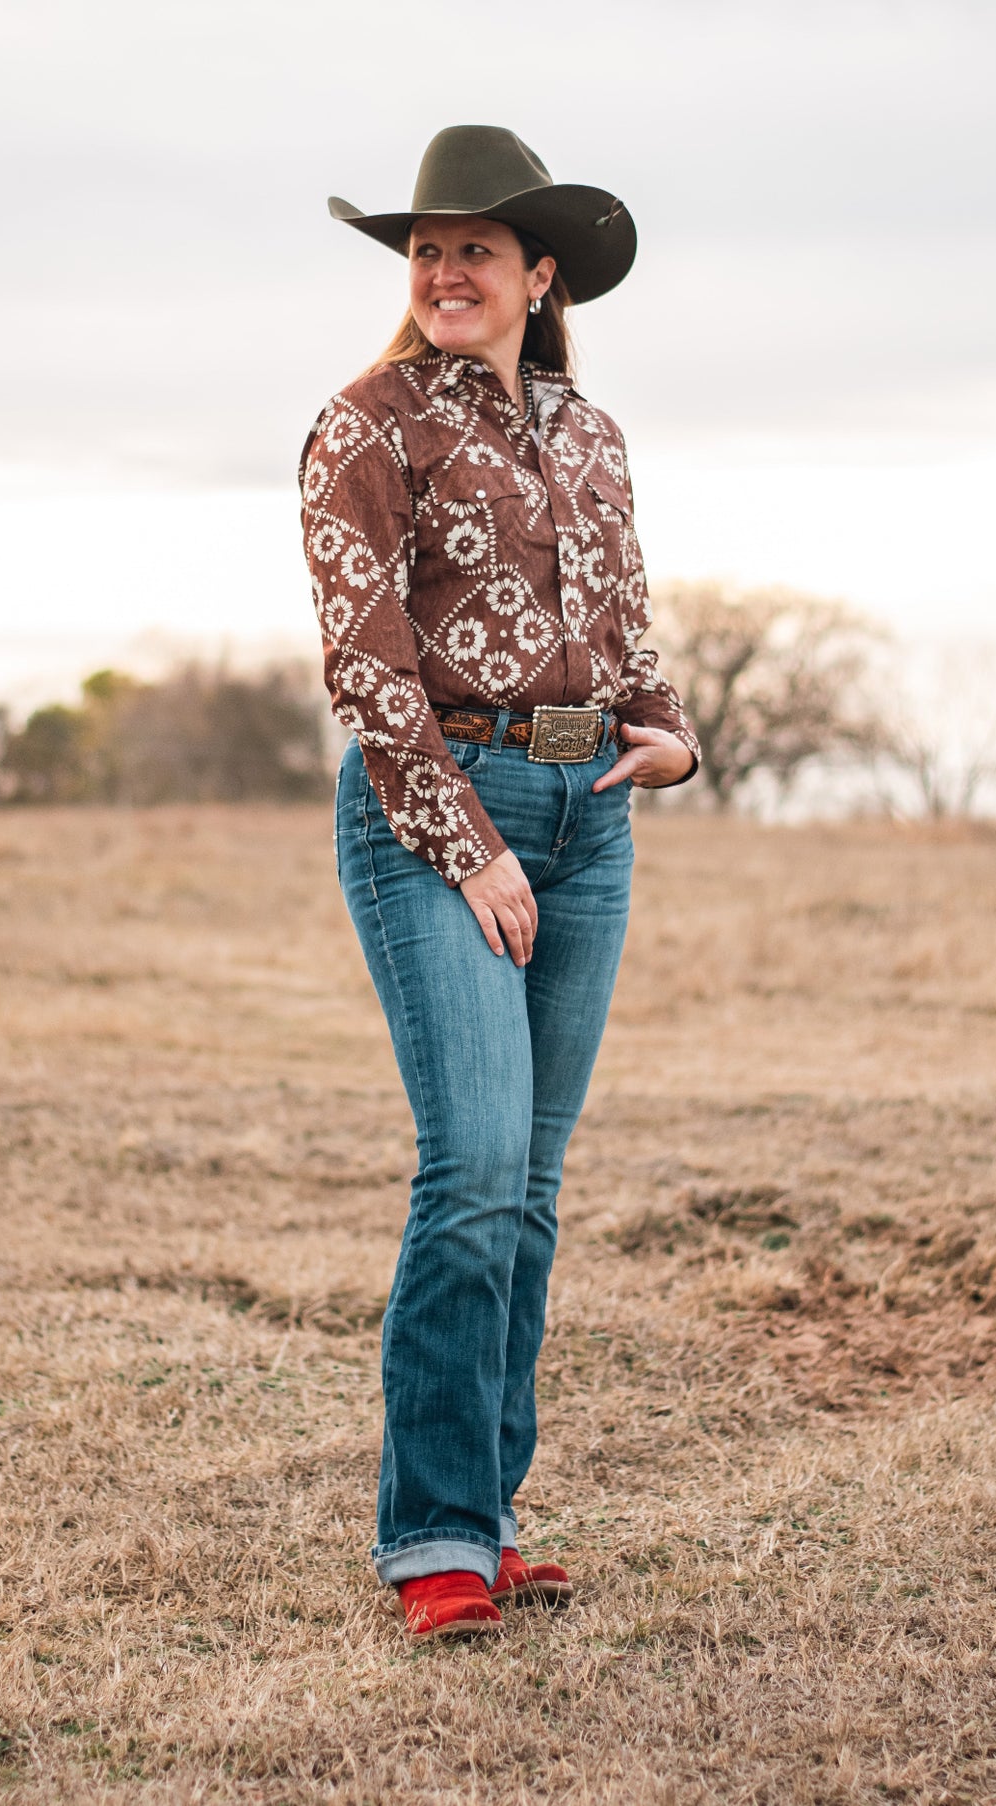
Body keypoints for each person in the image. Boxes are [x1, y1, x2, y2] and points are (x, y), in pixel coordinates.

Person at [299, 124, 700, 1643]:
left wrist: (667, 739)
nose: (446, 269)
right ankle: (436, 1541)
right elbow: (364, 658)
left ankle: (491, 1512)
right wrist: (462, 843)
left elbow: (626, 626)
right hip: (429, 810)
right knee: (468, 1168)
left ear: (540, 276)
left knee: (528, 1193)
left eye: (476, 248)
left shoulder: (589, 436)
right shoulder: (366, 425)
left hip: (590, 812)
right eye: (426, 249)